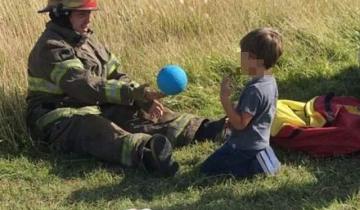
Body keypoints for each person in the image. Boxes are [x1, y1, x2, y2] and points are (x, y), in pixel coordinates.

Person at [27, 0, 225, 177]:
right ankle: (148, 152)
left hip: (95, 104)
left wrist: (140, 97)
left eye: (89, 13)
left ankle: (205, 129)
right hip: (59, 117)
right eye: (81, 14)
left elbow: (116, 74)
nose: (88, 20)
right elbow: (85, 87)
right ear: (61, 16)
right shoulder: (51, 48)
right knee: (95, 128)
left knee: (137, 113)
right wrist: (129, 93)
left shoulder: (87, 40)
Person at [200, 28, 283, 178]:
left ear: (253, 58)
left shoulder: (255, 90)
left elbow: (240, 124)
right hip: (261, 142)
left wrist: (225, 100)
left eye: (242, 55)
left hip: (244, 148)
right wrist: (233, 114)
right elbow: (256, 112)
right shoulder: (269, 81)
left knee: (206, 170)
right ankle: (262, 159)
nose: (240, 59)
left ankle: (253, 168)